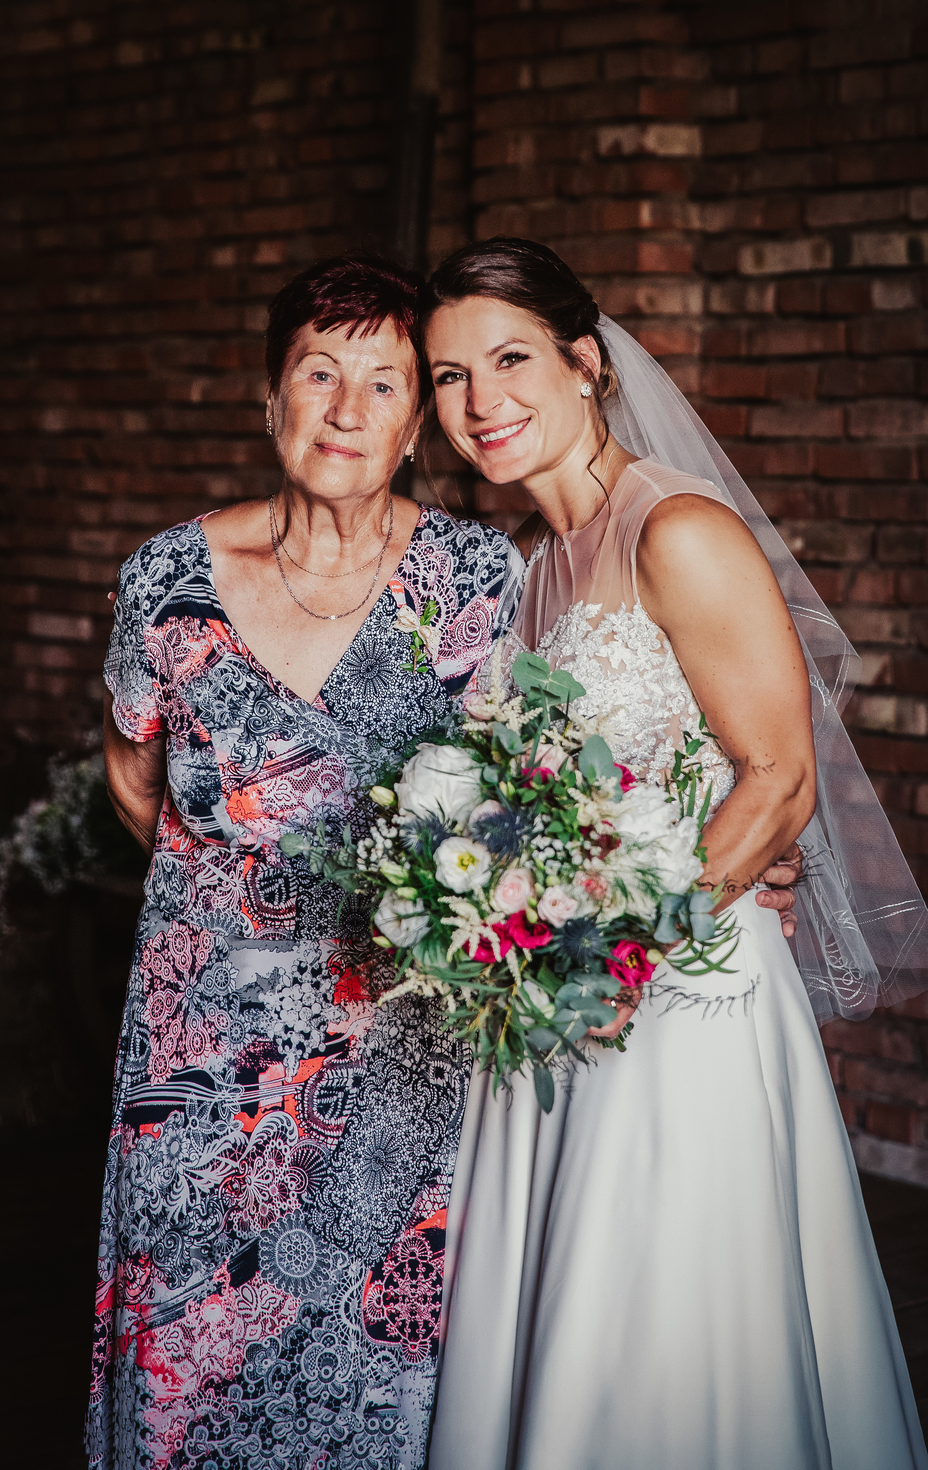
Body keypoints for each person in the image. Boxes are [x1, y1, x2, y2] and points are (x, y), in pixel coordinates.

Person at [422, 238, 928, 1470]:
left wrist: (617, 959)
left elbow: (779, 776)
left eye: (508, 360)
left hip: (668, 996)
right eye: (447, 377)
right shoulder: (534, 565)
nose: (480, 402)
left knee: (658, 1318)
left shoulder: (676, 531)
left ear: (584, 364)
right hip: (550, 996)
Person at [88, 251, 526, 1470]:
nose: (345, 409)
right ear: (268, 398)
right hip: (198, 1069)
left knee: (377, 1391)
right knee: (187, 1381)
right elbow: (132, 780)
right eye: (318, 373)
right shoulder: (166, 580)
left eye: (383, 384)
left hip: (397, 1067)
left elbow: (526, 793)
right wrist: (230, 906)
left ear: (415, 424)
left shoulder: (472, 579)